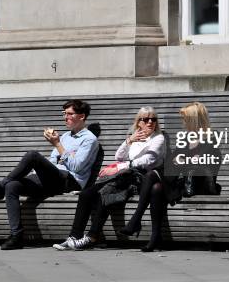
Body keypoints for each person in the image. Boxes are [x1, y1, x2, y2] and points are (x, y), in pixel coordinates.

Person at [0, 99, 99, 250]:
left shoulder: (89, 139)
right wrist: (41, 168)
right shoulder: (65, 136)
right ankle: (16, 236)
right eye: (64, 114)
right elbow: (54, 160)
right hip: (51, 178)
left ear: (82, 116)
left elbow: (77, 166)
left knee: (32, 155)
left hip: (69, 181)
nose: (65, 117)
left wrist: (58, 145)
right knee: (12, 186)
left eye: (70, 114)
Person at [53, 106, 166, 251]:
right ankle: (74, 236)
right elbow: (118, 156)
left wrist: (118, 167)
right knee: (86, 194)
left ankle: (92, 237)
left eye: (153, 119)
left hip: (141, 179)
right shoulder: (135, 137)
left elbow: (148, 161)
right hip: (124, 176)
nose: (150, 122)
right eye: (145, 119)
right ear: (139, 122)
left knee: (104, 193)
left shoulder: (158, 138)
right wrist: (129, 140)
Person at [119, 101, 216, 251]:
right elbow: (175, 160)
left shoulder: (210, 138)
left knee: (152, 175)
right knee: (156, 188)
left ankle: (135, 220)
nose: (183, 122)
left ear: (194, 119)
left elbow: (203, 164)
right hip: (179, 180)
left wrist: (185, 161)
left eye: (185, 118)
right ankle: (155, 238)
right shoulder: (186, 137)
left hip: (195, 184)